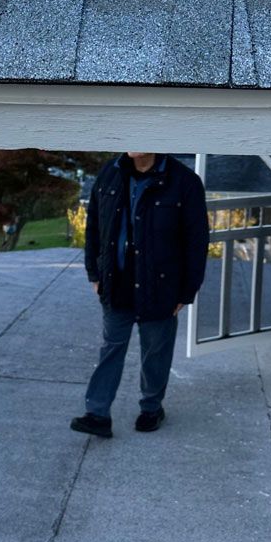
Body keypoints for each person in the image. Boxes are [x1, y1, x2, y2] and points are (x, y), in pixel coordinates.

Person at [71, 152, 209, 439]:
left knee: (155, 353)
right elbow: (94, 226)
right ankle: (97, 414)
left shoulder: (184, 182)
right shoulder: (110, 172)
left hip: (161, 287)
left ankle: (151, 408)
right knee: (111, 348)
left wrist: (187, 290)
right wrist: (94, 274)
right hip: (116, 283)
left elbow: (196, 242)